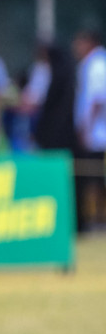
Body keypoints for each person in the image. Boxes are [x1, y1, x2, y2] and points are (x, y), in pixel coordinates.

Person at [73, 29, 106, 233]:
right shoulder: (93, 63)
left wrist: (86, 128)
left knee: (94, 176)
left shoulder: (96, 66)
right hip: (96, 131)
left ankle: (98, 218)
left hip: (97, 133)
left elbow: (97, 99)